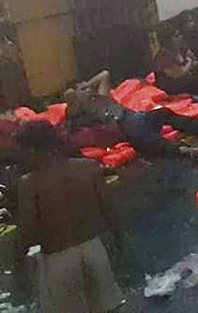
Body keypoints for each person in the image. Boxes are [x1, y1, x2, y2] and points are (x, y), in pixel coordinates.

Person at [15, 121, 125, 313]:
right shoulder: (89, 167)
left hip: (58, 259)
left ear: (32, 150)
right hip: (94, 249)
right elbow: (110, 211)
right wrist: (120, 244)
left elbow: (28, 231)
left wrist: (19, 266)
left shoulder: (29, 184)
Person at [63, 76, 198, 158]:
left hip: (136, 117)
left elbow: (104, 74)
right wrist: (77, 93)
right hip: (125, 127)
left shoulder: (102, 97)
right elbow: (70, 103)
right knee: (142, 137)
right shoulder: (79, 110)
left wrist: (86, 85)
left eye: (85, 88)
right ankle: (182, 151)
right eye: (81, 89)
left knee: (164, 113)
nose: (85, 90)